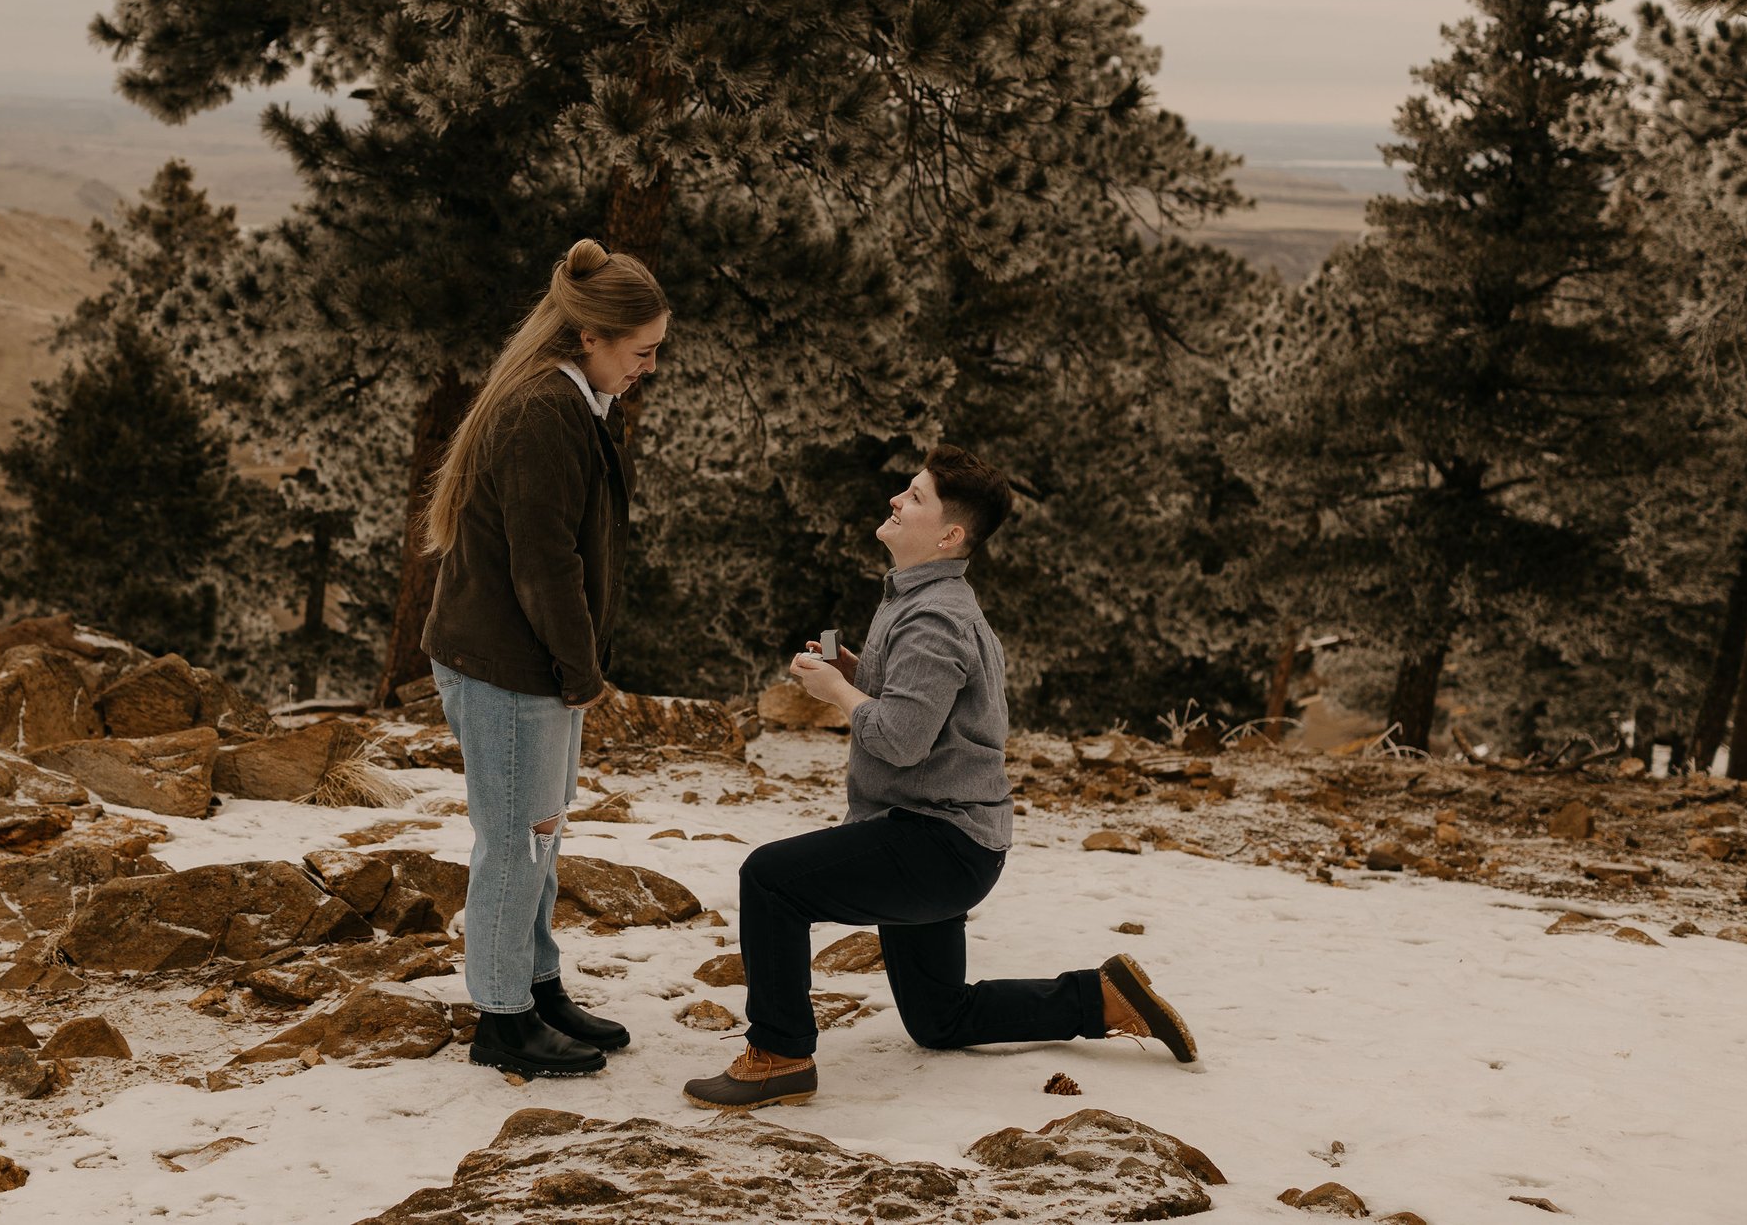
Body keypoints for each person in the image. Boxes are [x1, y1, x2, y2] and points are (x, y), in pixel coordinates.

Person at [684, 444, 1199, 1110]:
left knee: (771, 879)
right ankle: (1097, 996)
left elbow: (899, 740)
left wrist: (840, 691)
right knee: (939, 1018)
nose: (898, 499)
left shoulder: (935, 618)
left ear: (950, 535)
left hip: (936, 841)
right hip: (947, 837)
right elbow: (921, 709)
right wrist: (856, 671)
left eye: (917, 496)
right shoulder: (921, 599)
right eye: (906, 488)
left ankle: (779, 1054)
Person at [421, 237, 670, 1077]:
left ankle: (536, 984)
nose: (647, 366)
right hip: (509, 665)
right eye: (641, 351)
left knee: (540, 834)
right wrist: (580, 671)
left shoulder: (572, 399)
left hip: (527, 665)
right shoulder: (543, 410)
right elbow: (544, 563)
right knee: (517, 841)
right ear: (591, 336)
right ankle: (501, 1017)